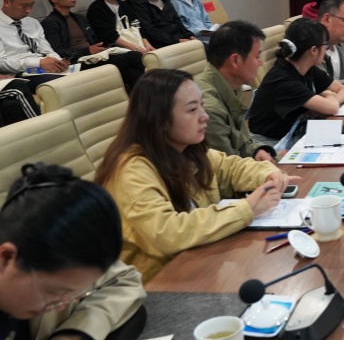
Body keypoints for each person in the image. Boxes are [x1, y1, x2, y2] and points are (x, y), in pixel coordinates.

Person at [95, 69, 294, 281]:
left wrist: (269, 173)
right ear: (160, 120)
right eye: (192, 109)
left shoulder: (186, 149)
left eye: (201, 105)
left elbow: (231, 167)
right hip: (157, 282)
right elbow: (168, 233)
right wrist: (247, 209)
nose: (204, 116)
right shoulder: (131, 170)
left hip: (198, 261)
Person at [0, 162, 145, 340]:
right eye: (53, 292)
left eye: (74, 293)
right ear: (6, 257)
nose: (62, 305)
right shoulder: (42, 255)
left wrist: (73, 332)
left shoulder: (59, 260)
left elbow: (124, 279)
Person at [247, 19, 344, 149]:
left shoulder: (307, 68)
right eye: (325, 45)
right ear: (313, 50)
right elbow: (332, 107)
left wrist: (326, 101)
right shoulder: (283, 80)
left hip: (292, 135)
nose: (326, 50)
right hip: (268, 144)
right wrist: (328, 95)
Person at [194, 21, 277, 162]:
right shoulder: (208, 109)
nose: (261, 63)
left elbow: (241, 141)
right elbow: (228, 168)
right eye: (257, 57)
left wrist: (256, 151)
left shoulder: (232, 85)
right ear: (235, 61)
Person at [41, 0, 145, 92]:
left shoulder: (80, 18)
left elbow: (95, 40)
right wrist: (87, 51)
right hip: (78, 63)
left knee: (133, 74)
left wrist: (103, 48)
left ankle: (145, 101)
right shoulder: (50, 22)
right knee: (135, 56)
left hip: (96, 57)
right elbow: (58, 52)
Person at [0, 0, 69, 88]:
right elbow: (2, 62)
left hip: (42, 67)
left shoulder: (32, 23)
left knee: (82, 75)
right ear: (7, 3)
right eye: (24, 6)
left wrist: (58, 61)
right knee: (63, 84)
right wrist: (38, 62)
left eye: (31, 5)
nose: (29, 10)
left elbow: (47, 50)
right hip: (20, 72)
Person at [86, 0, 154, 55]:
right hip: (114, 50)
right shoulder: (96, 9)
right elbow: (109, 37)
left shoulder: (124, 5)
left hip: (135, 45)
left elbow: (137, 25)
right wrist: (137, 48)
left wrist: (147, 45)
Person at [128, 0, 196, 49]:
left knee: (203, 47)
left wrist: (190, 35)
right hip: (162, 44)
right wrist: (178, 40)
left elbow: (178, 23)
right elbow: (151, 32)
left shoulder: (165, 0)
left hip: (179, 39)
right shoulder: (139, 4)